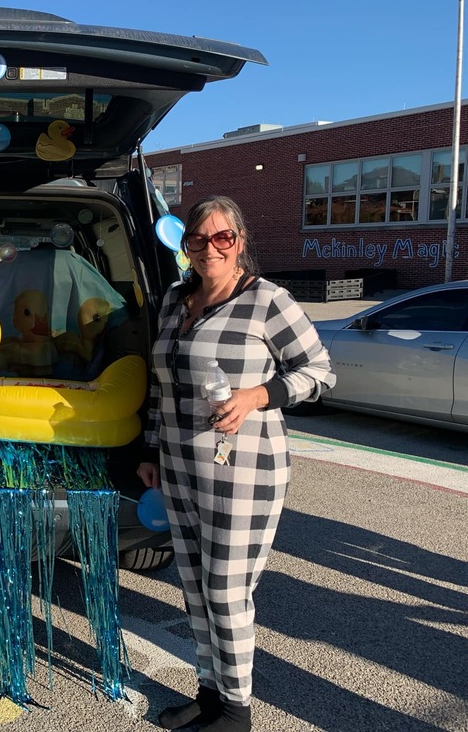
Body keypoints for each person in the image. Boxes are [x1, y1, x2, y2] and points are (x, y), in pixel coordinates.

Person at [137, 196, 334, 732]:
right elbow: (161, 388)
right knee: (196, 588)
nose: (209, 249)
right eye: (197, 240)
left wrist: (257, 396)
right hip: (178, 466)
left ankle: (238, 710)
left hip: (244, 471)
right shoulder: (176, 300)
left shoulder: (269, 301)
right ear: (186, 247)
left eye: (221, 237)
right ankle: (209, 694)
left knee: (227, 592)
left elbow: (319, 372)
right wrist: (152, 450)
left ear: (240, 242)